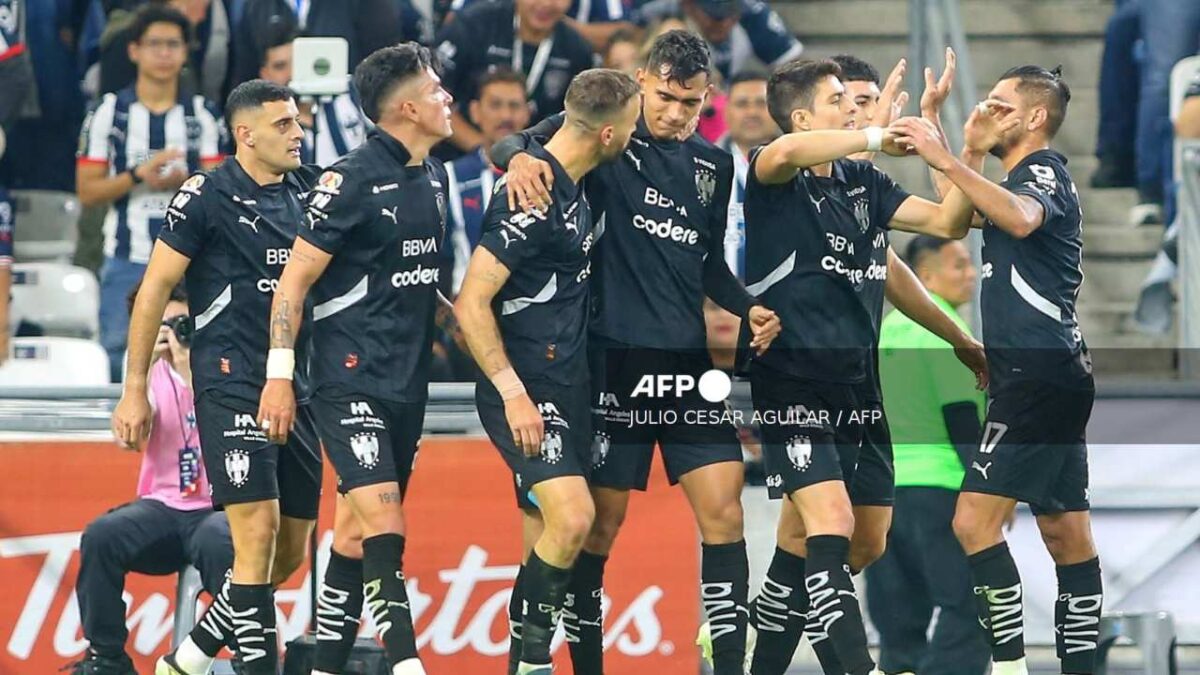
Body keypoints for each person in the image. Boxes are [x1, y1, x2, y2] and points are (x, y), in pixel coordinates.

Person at [491, 30, 782, 675]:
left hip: (686, 367)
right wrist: (517, 158)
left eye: (691, 102)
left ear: (708, 97)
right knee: (598, 529)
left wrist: (744, 305)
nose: (677, 114)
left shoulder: (714, 165)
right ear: (643, 81)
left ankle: (729, 664)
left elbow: (706, 262)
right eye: (667, 98)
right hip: (611, 363)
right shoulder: (609, 138)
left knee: (725, 509)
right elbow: (512, 141)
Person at [739, 57, 992, 675]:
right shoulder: (773, 174)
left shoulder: (863, 187)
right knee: (829, 522)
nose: (855, 107)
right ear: (802, 117)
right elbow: (787, 151)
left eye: (859, 101)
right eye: (840, 101)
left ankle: (754, 647)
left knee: (857, 541)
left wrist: (961, 151)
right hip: (792, 380)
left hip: (859, 384)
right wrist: (880, 133)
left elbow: (948, 221)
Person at [896, 64, 1104, 675]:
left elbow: (1017, 218)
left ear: (1036, 118)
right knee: (1067, 535)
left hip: (1040, 376)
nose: (988, 112)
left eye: (1000, 106)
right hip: (1044, 374)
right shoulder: (1012, 180)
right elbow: (953, 219)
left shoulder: (1041, 172)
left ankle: (1009, 667)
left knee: (971, 522)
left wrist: (955, 154)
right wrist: (956, 144)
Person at [111, 79, 323, 675]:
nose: (298, 133)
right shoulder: (205, 194)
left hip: (297, 386)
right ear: (245, 134)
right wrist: (133, 390)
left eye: (299, 121)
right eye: (283, 124)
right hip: (232, 383)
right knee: (253, 538)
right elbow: (153, 288)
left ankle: (189, 657)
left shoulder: (309, 190)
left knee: (286, 554)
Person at [257, 42, 456, 675]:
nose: (447, 97)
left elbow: (417, 279)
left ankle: (322, 667)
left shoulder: (436, 173)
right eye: (434, 90)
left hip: (407, 381)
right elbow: (292, 285)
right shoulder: (348, 180)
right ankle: (407, 665)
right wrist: (280, 379)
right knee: (386, 523)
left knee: (350, 536)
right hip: (348, 382)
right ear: (404, 108)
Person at [454, 67, 641, 675]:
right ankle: (535, 664)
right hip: (529, 387)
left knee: (542, 536)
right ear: (609, 133)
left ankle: (519, 665)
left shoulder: (567, 167)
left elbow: (524, 136)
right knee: (575, 517)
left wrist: (515, 149)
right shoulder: (531, 197)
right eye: (633, 125)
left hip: (570, 381)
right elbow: (471, 301)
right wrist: (512, 394)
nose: (638, 136)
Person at [73, 282, 234, 675]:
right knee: (102, 536)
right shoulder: (144, 373)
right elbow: (132, 439)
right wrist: (143, 375)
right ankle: (107, 657)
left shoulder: (223, 368)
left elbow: (228, 424)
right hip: (162, 508)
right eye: (162, 324)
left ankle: (248, 655)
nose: (174, 332)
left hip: (217, 508)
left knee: (223, 541)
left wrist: (188, 365)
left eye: (182, 323)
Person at [77, 4, 224, 383]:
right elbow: (87, 191)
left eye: (172, 44)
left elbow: (223, 192)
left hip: (192, 263)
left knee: (197, 360)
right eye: (154, 44)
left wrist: (187, 180)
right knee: (117, 358)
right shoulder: (109, 114)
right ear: (134, 50)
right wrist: (136, 175)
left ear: (185, 51)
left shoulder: (203, 115)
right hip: (127, 258)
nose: (164, 53)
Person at [864, 236, 990, 675]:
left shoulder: (880, 333)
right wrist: (985, 493)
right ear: (926, 275)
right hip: (942, 491)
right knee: (970, 609)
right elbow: (960, 419)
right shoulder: (944, 331)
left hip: (883, 496)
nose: (970, 274)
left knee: (898, 622)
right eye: (959, 265)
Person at [435, 0, 595, 151]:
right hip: (462, 158)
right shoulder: (473, 26)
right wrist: (485, 152)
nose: (546, 3)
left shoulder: (577, 50)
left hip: (539, 163)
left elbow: (579, 123)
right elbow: (432, 96)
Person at [446, 67, 531, 293]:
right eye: (495, 105)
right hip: (464, 316)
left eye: (514, 106)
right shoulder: (449, 176)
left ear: (527, 113)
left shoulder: (546, 175)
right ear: (475, 111)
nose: (506, 116)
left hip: (529, 317)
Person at [255, 25, 372, 167]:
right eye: (280, 66)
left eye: (298, 62)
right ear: (265, 74)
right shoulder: (262, 129)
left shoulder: (352, 91)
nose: (292, 73)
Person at [631, 0, 802, 83]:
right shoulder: (660, 14)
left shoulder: (753, 15)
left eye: (732, 14)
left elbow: (794, 70)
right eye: (716, 16)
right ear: (689, 6)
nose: (725, 23)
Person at [717, 69, 779, 280]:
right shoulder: (702, 166)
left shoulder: (801, 168)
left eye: (761, 103)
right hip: (715, 307)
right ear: (726, 111)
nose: (752, 112)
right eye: (742, 104)